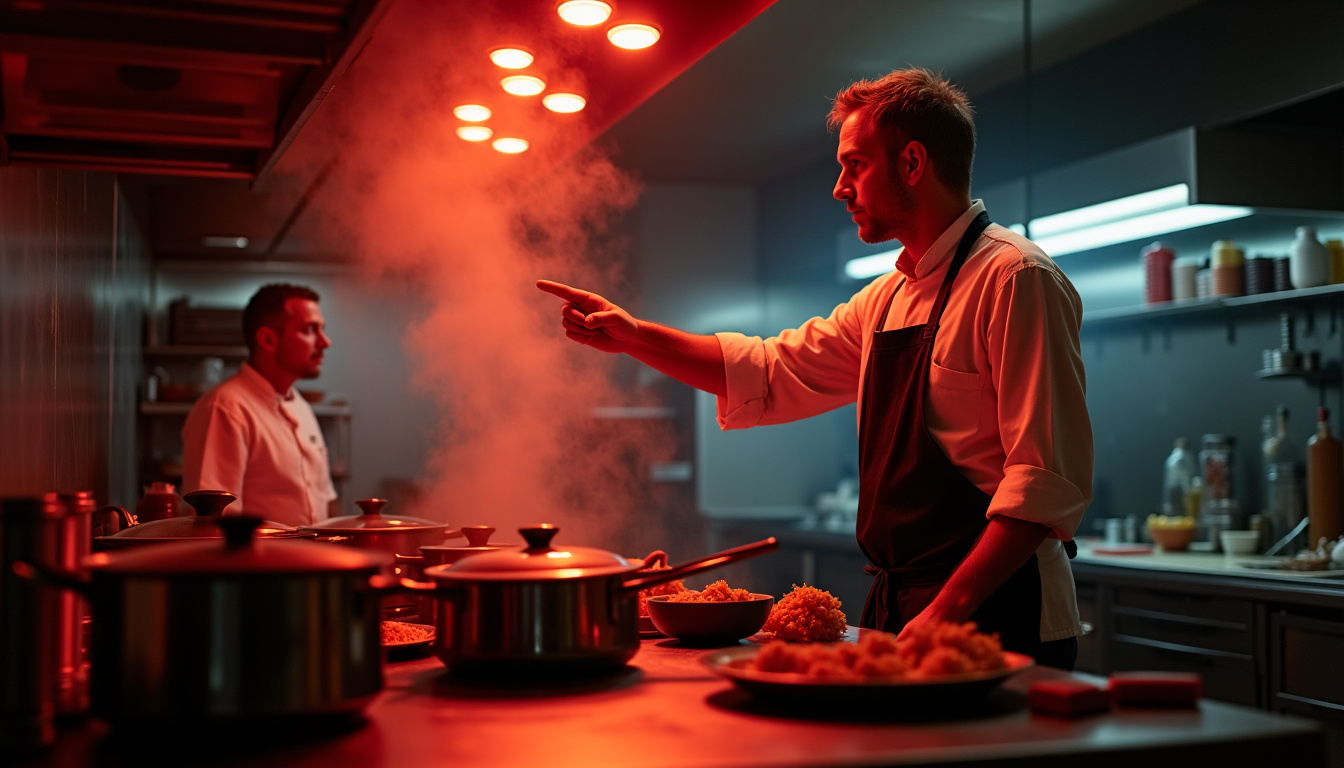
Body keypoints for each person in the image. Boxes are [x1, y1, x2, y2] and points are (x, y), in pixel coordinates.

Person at [537, 67, 1092, 669]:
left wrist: (941, 614)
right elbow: (770, 370)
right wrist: (635, 337)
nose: (839, 187)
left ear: (912, 163)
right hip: (903, 608)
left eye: (854, 165)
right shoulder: (883, 300)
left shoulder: (1015, 279)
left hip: (1000, 610)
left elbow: (1043, 481)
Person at [182, 283, 337, 527]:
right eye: (310, 330)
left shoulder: (301, 407)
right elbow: (211, 525)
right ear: (267, 339)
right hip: (259, 565)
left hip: (310, 563)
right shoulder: (225, 408)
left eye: (322, 330)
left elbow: (326, 501)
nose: (325, 342)